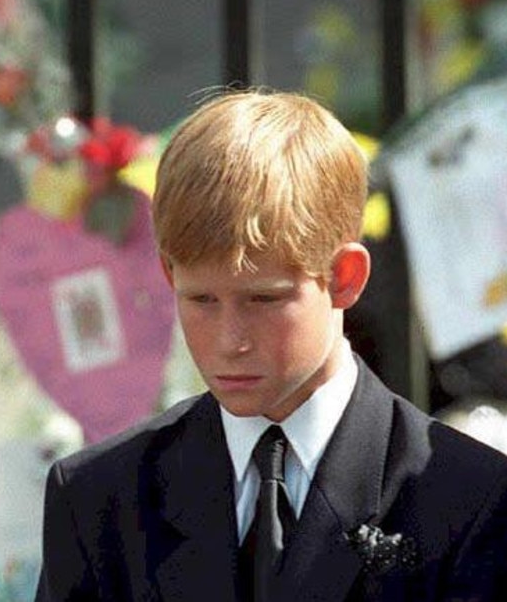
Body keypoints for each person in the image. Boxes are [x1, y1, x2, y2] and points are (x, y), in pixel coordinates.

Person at [36, 91, 507, 601]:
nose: (229, 340)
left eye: (264, 299)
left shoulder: (470, 498)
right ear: (169, 274)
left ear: (345, 277)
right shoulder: (98, 500)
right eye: (201, 300)